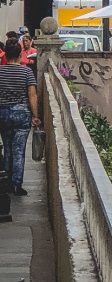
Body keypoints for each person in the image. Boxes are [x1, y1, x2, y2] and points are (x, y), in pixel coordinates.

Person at [0, 38, 40, 196]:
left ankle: (7, 182)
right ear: (19, 55)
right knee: (19, 150)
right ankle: (16, 184)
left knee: (7, 147)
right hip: (21, 113)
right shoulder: (26, 72)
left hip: (2, 113)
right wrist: (35, 116)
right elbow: (32, 96)